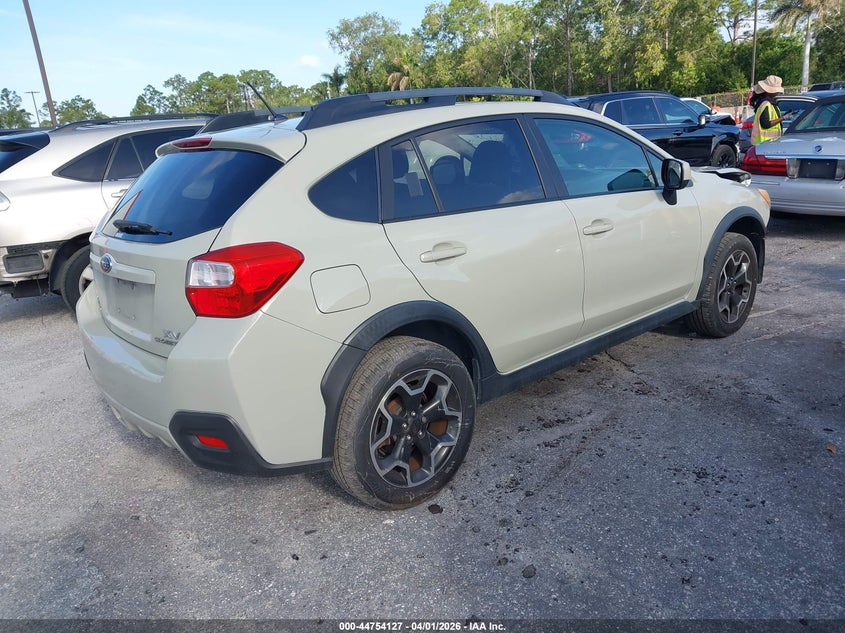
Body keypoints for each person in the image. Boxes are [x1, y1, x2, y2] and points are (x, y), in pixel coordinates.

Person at [750, 75, 785, 145]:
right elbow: (766, 124)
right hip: (765, 143)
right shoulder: (766, 104)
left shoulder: (768, 103)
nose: (778, 92)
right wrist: (783, 118)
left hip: (767, 142)